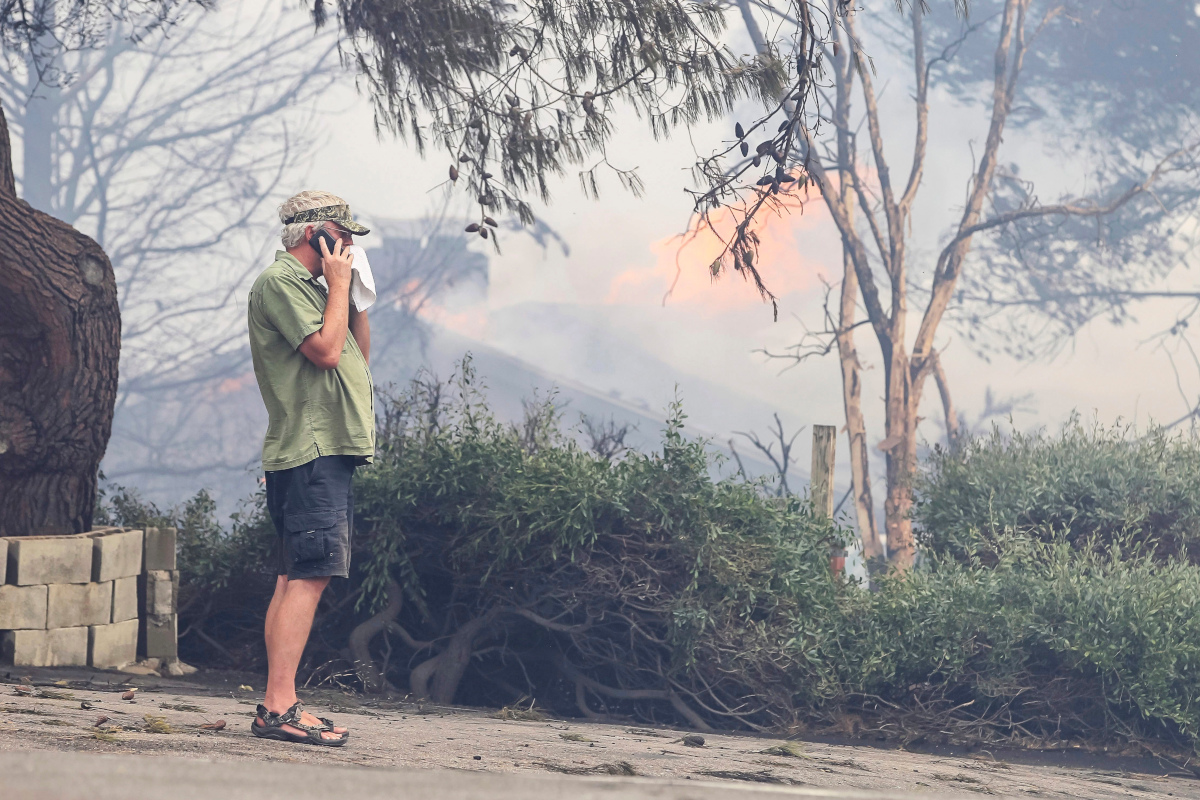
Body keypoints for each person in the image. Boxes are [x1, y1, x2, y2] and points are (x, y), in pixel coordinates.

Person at [245, 190, 374, 746]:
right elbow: (323, 352)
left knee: (294, 575)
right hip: (310, 449)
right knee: (310, 575)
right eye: (343, 237)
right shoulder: (280, 284)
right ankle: (280, 707)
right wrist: (338, 286)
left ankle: (278, 703)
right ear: (316, 235)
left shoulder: (317, 291)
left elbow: (354, 356)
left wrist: (355, 294)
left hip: (321, 449)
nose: (348, 248)